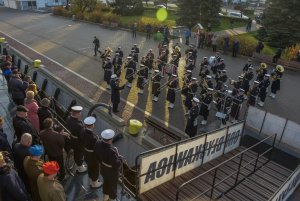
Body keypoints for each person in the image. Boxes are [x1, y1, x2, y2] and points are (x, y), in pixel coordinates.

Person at [94, 129, 122, 201]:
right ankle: (112, 199)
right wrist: (119, 158)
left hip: (103, 169)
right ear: (110, 139)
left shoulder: (98, 143)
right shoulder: (112, 151)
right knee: (113, 186)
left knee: (106, 182)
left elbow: (96, 155)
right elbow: (116, 165)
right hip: (111, 172)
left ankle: (105, 197)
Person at [81, 116, 102, 188]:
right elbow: (97, 148)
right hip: (93, 155)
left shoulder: (82, 131)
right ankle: (95, 182)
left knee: (89, 166)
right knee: (96, 168)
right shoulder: (93, 137)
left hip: (86, 153)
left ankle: (91, 179)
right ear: (92, 125)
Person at [66, 106, 87, 173]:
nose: (80, 114)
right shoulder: (78, 125)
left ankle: (78, 164)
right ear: (77, 114)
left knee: (76, 152)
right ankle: (80, 167)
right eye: (80, 112)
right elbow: (82, 136)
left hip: (72, 138)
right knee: (79, 154)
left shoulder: (68, 118)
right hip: (78, 142)